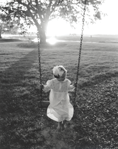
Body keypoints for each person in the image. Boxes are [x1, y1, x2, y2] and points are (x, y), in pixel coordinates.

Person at [42, 65, 75, 130]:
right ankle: (59, 124)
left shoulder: (66, 82)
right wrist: (43, 87)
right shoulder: (52, 82)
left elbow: (69, 88)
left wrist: (73, 86)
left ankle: (64, 123)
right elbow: (47, 88)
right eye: (62, 77)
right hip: (55, 100)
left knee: (66, 111)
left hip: (64, 100)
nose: (64, 78)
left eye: (65, 76)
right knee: (58, 113)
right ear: (56, 76)